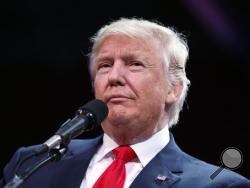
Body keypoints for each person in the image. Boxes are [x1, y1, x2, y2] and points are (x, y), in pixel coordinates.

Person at [1, 18, 250, 188]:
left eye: (135, 64)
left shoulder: (215, 184)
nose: (114, 77)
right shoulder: (33, 165)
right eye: (105, 65)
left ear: (173, 88)